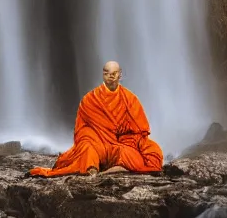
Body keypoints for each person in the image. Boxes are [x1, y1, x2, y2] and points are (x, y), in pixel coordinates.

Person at [29, 61, 162, 177]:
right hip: (98, 144)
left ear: (120, 74)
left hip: (122, 144)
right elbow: (81, 130)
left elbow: (139, 131)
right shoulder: (90, 99)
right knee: (87, 143)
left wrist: (125, 139)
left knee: (151, 150)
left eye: (115, 73)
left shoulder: (130, 99)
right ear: (103, 75)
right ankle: (92, 168)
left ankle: (114, 169)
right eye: (107, 73)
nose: (111, 76)